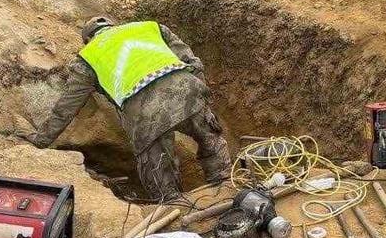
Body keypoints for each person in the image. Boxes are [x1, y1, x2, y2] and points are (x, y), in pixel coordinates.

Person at [22, 16, 231, 200]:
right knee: (210, 138)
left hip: (143, 112)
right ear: (114, 26)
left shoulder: (87, 58)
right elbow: (192, 61)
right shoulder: (150, 27)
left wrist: (41, 139)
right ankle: (225, 185)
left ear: (88, 39)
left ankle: (172, 205)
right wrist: (201, 96)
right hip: (187, 89)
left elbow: (67, 106)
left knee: (157, 167)